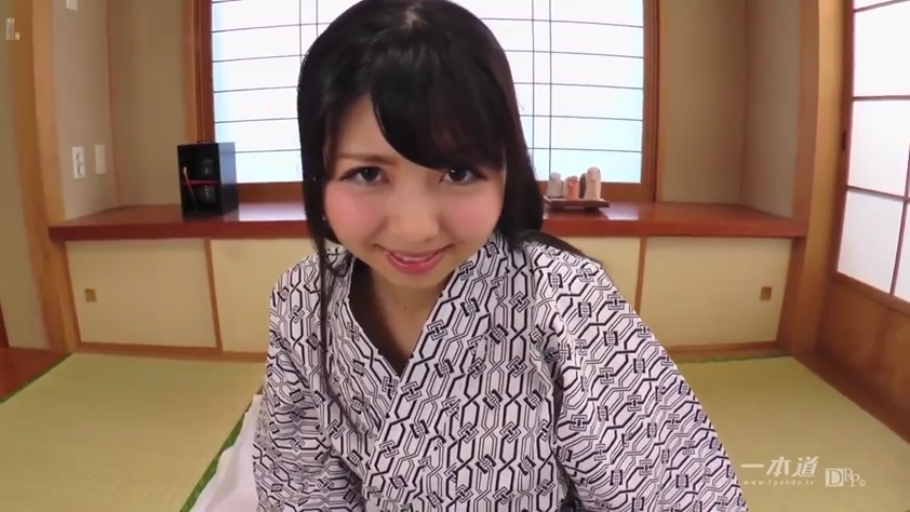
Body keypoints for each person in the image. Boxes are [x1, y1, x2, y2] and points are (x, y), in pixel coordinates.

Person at [252, 0, 747, 510]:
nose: (415, 228)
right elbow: (298, 489)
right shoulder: (301, 303)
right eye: (368, 174)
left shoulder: (566, 299)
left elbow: (672, 493)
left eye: (457, 172)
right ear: (320, 176)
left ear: (506, 170)